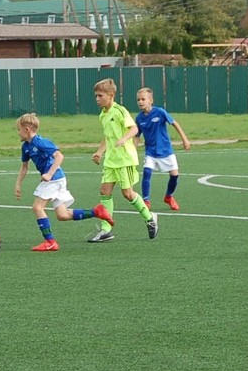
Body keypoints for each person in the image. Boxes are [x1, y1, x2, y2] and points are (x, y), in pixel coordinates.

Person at [13, 112, 114, 251]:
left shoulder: (41, 142)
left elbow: (59, 156)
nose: (17, 133)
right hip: (56, 179)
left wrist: (49, 173)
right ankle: (96, 211)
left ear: (27, 129)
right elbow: (24, 167)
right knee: (62, 215)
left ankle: (50, 242)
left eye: (18, 129)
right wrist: (18, 183)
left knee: (37, 207)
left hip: (54, 179)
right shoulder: (26, 146)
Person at [88, 78, 158, 242]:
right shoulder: (103, 115)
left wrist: (123, 139)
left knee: (127, 193)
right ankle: (106, 229)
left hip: (125, 159)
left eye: (100, 96)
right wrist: (99, 152)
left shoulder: (119, 111)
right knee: (104, 191)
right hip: (111, 160)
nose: (97, 99)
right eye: (96, 96)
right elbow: (107, 136)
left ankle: (149, 218)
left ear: (111, 95)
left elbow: (134, 128)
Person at [134, 87, 191, 211]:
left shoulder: (160, 112)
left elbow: (175, 124)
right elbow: (137, 135)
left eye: (143, 99)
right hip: (151, 152)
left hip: (166, 150)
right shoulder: (139, 118)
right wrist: (133, 150)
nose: (140, 102)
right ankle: (146, 201)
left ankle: (169, 197)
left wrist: (185, 139)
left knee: (175, 175)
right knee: (147, 172)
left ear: (151, 100)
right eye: (138, 99)